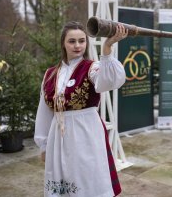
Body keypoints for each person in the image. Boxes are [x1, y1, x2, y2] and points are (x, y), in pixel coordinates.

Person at [34, 21, 128, 196]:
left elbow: (109, 80)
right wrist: (44, 144)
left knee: (85, 177)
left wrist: (107, 48)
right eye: (72, 41)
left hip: (85, 133)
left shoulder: (92, 68)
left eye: (81, 41)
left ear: (87, 43)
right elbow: (45, 111)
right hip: (58, 136)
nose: (77, 46)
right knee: (61, 179)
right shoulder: (50, 74)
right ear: (63, 43)